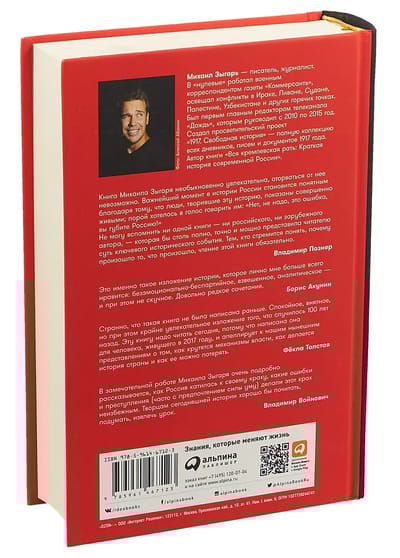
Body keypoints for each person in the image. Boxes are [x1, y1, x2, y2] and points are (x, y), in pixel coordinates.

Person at [104, 89, 174, 175]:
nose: (132, 123)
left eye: (139, 115)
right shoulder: (110, 158)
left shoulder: (161, 161)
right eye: (126, 116)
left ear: (147, 118)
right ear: (119, 120)